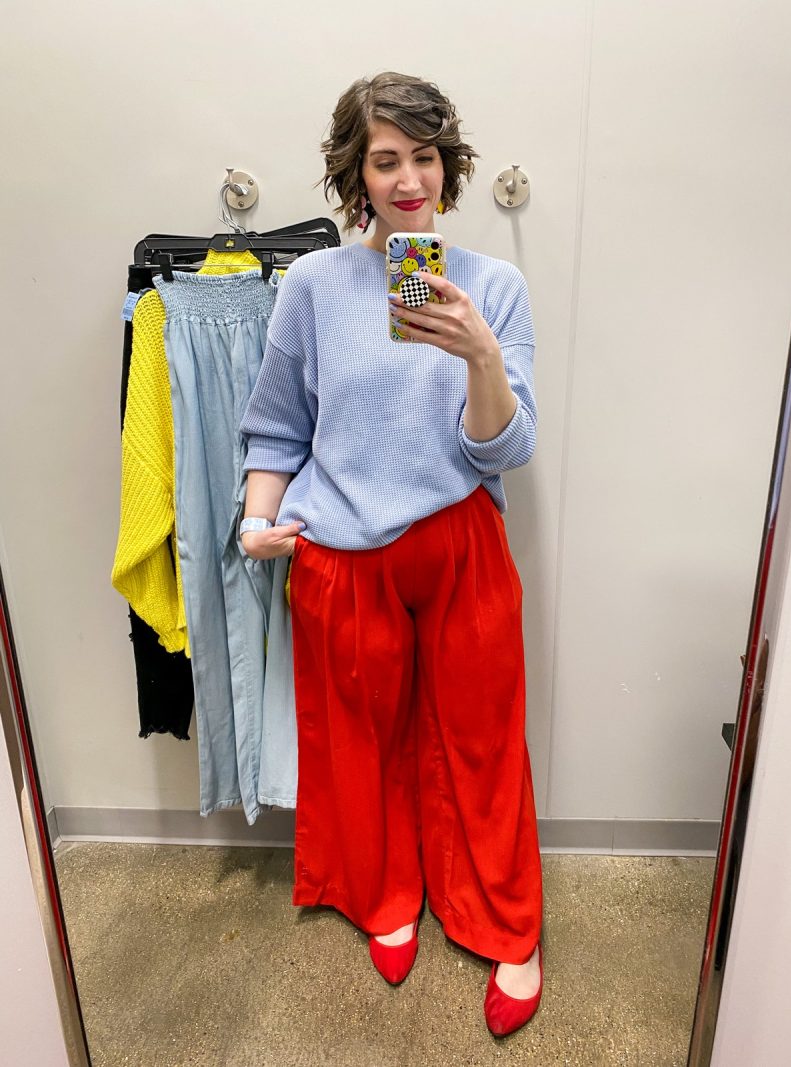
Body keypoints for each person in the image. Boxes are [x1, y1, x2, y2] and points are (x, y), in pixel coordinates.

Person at [239, 71, 543, 1037]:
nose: (408, 178)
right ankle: (384, 898)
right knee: (361, 744)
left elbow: (506, 446)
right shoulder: (315, 285)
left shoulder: (493, 286)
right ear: (354, 175)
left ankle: (508, 926)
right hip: (344, 551)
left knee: (482, 741)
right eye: (385, 159)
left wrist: (480, 355)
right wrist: (256, 521)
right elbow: (277, 426)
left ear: (447, 166)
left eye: (423, 156)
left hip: (460, 547)